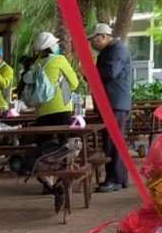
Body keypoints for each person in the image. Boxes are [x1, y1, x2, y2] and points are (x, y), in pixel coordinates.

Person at [89, 22, 133, 192]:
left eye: (94, 39)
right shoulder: (109, 51)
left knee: (113, 141)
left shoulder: (117, 50)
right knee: (110, 141)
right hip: (110, 102)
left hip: (114, 102)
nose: (92, 43)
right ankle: (117, 178)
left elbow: (110, 72)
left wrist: (90, 71)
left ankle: (115, 179)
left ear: (103, 36)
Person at [23, 31, 79, 125]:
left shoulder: (35, 64)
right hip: (61, 107)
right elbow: (74, 84)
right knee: (63, 135)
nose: (57, 45)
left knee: (46, 135)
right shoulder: (59, 60)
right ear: (50, 46)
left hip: (41, 111)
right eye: (55, 44)